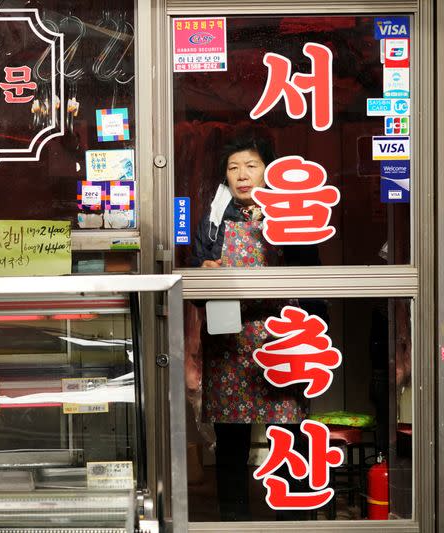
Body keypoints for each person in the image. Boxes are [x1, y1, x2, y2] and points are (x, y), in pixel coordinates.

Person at [190, 136, 309, 521]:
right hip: (229, 341)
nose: (242, 175)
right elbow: (194, 287)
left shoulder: (290, 213)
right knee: (231, 443)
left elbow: (312, 274)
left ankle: (293, 523)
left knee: (287, 434)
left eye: (251, 165)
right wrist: (203, 274)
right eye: (233, 167)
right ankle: (233, 522)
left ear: (267, 170)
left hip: (281, 337)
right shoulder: (212, 219)